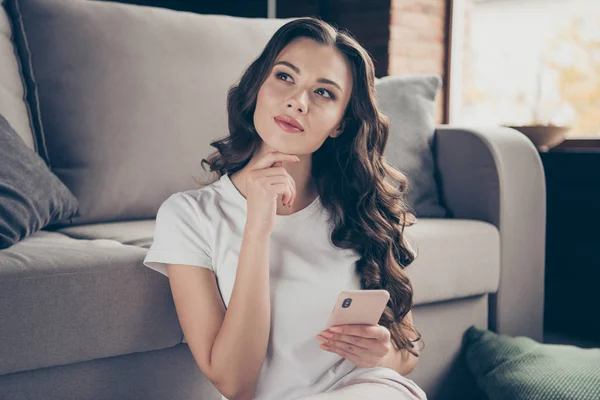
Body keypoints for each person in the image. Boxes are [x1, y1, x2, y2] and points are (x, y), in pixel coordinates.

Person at [143, 16, 427, 400]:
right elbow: (234, 383)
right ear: (258, 86)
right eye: (284, 77)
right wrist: (258, 226)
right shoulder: (188, 215)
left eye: (324, 93)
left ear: (340, 124)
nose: (298, 101)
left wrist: (384, 354)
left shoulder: (359, 208)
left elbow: (407, 353)